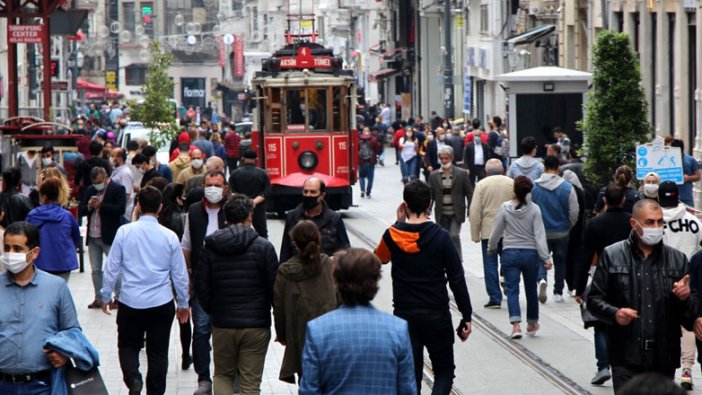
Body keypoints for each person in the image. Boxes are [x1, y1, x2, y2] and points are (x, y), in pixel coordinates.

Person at [374, 180, 473, 393]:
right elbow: (457, 278)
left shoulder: (392, 235)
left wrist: (397, 222)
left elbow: (380, 259)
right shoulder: (442, 237)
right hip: (436, 313)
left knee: (411, 374)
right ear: (430, 204)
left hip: (404, 314)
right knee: (444, 371)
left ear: (405, 204)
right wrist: (466, 315)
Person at [588, 199, 696, 393]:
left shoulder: (678, 260)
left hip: (663, 357)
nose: (656, 227)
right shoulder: (612, 255)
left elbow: (689, 316)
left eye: (659, 222)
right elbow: (594, 300)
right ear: (634, 224)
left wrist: (685, 297)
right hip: (625, 356)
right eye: (649, 222)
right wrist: (615, 313)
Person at [102, 186, 190, 395]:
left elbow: (111, 267)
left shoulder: (125, 232)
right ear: (160, 207)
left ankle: (133, 378)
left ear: (138, 206)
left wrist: (106, 295)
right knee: (158, 352)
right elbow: (179, 273)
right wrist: (184, 303)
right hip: (161, 302)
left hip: (131, 301)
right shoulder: (169, 236)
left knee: (128, 346)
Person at [299, 248, 416, 395]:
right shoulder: (398, 329)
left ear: (337, 281)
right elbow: (407, 390)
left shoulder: (317, 330)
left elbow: (309, 390)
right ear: (374, 282)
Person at [195, 193, 278, 395]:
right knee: (250, 382)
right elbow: (274, 288)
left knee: (223, 375)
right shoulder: (264, 247)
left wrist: (214, 309)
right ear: (250, 215)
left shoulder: (211, 246)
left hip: (223, 322)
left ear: (225, 217)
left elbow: (202, 286)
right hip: (256, 325)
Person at [0, 221, 80, 395]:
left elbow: (72, 330)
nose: (10, 254)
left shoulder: (56, 287)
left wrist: (65, 354)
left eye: (17, 249)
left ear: (34, 252)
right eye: (7, 248)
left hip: (42, 385)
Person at [576, 183, 632, 386]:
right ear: (624, 200)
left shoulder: (595, 223)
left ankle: (602, 366)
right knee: (626, 317)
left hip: (602, 275)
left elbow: (585, 255)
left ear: (605, 200)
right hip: (629, 276)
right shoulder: (631, 223)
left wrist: (579, 286)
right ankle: (624, 363)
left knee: (600, 322)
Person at [182, 170, 229, 395]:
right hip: (201, 281)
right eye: (209, 184)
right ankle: (204, 379)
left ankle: (229, 374)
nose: (213, 189)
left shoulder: (233, 209)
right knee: (201, 330)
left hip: (228, 281)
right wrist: (187, 276)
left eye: (217, 185)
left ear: (225, 188)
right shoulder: (194, 211)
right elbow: (187, 245)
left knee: (228, 330)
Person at [488, 176, 552, 338]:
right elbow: (539, 235)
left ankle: (516, 325)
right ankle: (532, 323)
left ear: (514, 190)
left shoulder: (505, 207)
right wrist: (546, 257)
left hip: (510, 253)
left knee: (512, 290)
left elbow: (497, 230)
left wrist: (491, 247)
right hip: (530, 254)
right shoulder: (535, 209)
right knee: (531, 289)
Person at [274, 221, 337, 384]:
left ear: (294, 242)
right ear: (318, 239)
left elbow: (278, 307)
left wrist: (282, 334)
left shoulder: (285, 271)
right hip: (329, 334)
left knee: (307, 380)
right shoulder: (327, 264)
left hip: (299, 333)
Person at [657, 181, 702, 390]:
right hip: (688, 278)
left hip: (660, 278)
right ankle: (686, 368)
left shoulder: (654, 223)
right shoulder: (694, 221)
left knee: (663, 322)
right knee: (689, 323)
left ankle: (662, 369)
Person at [531, 156, 579, 304]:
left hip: (542, 231)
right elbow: (574, 211)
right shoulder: (567, 187)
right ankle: (558, 292)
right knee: (560, 261)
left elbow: (530, 209)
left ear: (544, 168)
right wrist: (568, 225)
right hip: (562, 231)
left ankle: (542, 279)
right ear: (559, 169)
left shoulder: (534, 187)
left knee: (541, 258)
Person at [79, 166, 126, 309]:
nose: (97, 185)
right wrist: (89, 206)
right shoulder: (90, 190)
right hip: (93, 236)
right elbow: (81, 210)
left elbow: (120, 210)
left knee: (115, 268)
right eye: (95, 182)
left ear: (106, 177)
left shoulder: (117, 189)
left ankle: (119, 297)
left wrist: (102, 206)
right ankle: (99, 298)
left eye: (99, 181)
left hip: (109, 235)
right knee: (95, 269)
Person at [470, 158, 514, 308]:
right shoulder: (510, 182)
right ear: (502, 170)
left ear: (486, 171)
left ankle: (495, 297)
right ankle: (509, 284)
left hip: (489, 231)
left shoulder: (481, 185)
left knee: (490, 264)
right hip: (509, 230)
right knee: (508, 261)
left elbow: (475, 210)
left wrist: (475, 233)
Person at [157, 182, 192, 370]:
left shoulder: (160, 218)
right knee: (184, 314)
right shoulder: (183, 217)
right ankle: (186, 354)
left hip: (160, 273)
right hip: (179, 270)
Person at [279, 177, 350, 263]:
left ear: (322, 196)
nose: (308, 195)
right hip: (298, 273)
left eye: (313, 192)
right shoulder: (292, 217)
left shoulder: (334, 219)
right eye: (305, 191)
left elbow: (346, 251)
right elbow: (285, 252)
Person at [25, 178, 81, 281]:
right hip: (63, 262)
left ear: (44, 197)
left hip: (40, 263)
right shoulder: (67, 216)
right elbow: (76, 237)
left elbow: (25, 237)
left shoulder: (33, 215)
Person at [427, 146, 473, 260]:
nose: (443, 161)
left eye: (446, 158)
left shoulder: (461, 173)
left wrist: (470, 210)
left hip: (456, 212)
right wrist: (427, 209)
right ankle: (446, 261)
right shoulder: (434, 175)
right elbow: (430, 194)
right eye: (441, 158)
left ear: (451, 158)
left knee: (454, 235)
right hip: (441, 213)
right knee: (443, 238)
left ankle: (458, 260)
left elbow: (469, 193)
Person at [229, 150, 271, 239]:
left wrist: (244, 201)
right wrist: (254, 201)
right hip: (258, 208)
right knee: (262, 233)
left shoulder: (235, 173)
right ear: (256, 159)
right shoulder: (262, 173)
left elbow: (232, 191)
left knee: (239, 233)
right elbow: (266, 191)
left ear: (243, 158)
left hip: (240, 207)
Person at [670, 139, 700, 207]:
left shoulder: (690, 160)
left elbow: (698, 176)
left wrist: (688, 178)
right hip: (671, 196)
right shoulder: (667, 161)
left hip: (686, 196)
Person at [110, 147, 135, 222]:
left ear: (120, 158)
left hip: (123, 213)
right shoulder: (116, 170)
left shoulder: (125, 173)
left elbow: (126, 194)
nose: (110, 158)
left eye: (112, 156)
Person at [358, 126, 381, 198]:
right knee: (370, 178)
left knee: (361, 176)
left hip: (361, 161)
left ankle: (362, 190)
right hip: (370, 161)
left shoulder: (359, 139)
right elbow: (377, 149)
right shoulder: (373, 139)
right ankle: (368, 193)